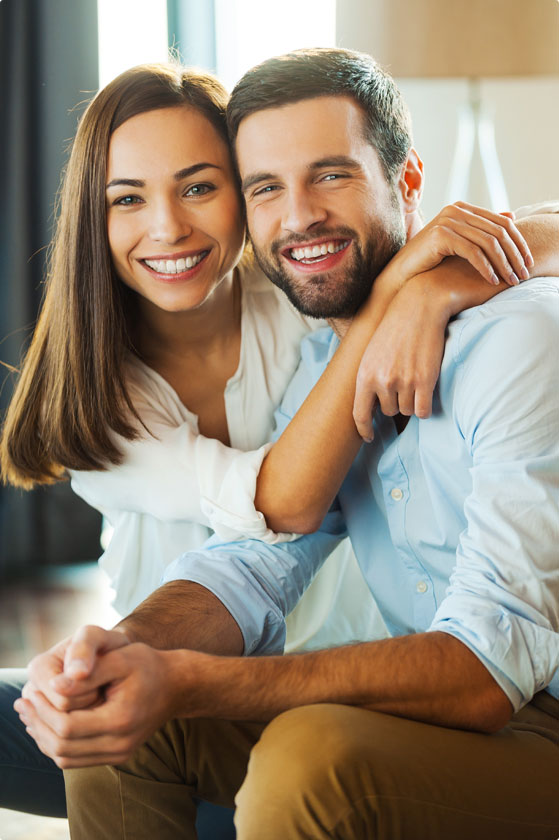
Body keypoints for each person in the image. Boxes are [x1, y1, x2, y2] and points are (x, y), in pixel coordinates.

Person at [10, 51, 559, 838]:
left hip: (530, 715)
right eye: (266, 186)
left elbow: (484, 669)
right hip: (447, 713)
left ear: (407, 183)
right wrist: (120, 650)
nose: (298, 216)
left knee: (310, 753)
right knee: (118, 722)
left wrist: (194, 683)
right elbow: (258, 556)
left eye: (330, 175)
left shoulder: (513, 344)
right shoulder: (317, 362)